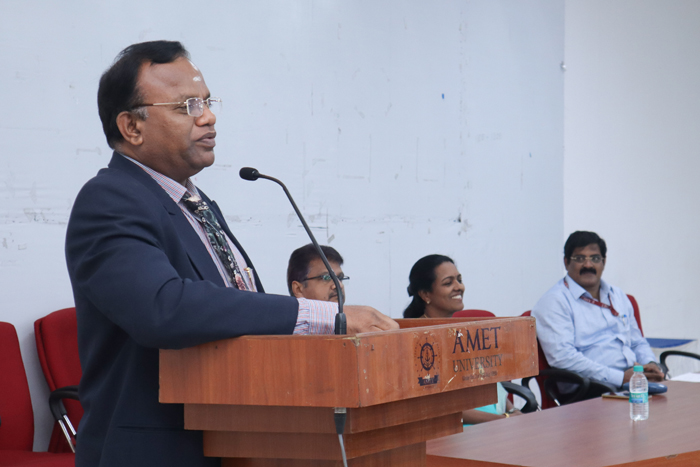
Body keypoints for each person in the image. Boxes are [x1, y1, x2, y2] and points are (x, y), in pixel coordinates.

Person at [65, 40, 397, 467]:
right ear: (132, 127)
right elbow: (163, 308)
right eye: (186, 106)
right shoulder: (109, 199)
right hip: (157, 451)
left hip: (235, 441)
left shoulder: (198, 205)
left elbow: (237, 307)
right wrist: (324, 317)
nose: (208, 117)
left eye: (207, 101)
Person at [531, 231, 664, 391]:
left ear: (603, 262)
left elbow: (637, 342)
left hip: (631, 381)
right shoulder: (554, 302)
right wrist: (620, 378)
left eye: (595, 258)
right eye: (579, 258)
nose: (588, 265)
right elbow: (563, 358)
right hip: (590, 389)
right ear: (566, 263)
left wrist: (650, 363)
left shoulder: (617, 295)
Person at [403, 254, 519, 423]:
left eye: (459, 280)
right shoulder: (419, 341)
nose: (459, 287)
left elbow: (489, 379)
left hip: (496, 421)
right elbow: (439, 407)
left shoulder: (462, 332)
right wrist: (501, 420)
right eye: (448, 283)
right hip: (457, 429)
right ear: (425, 294)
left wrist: (513, 411)